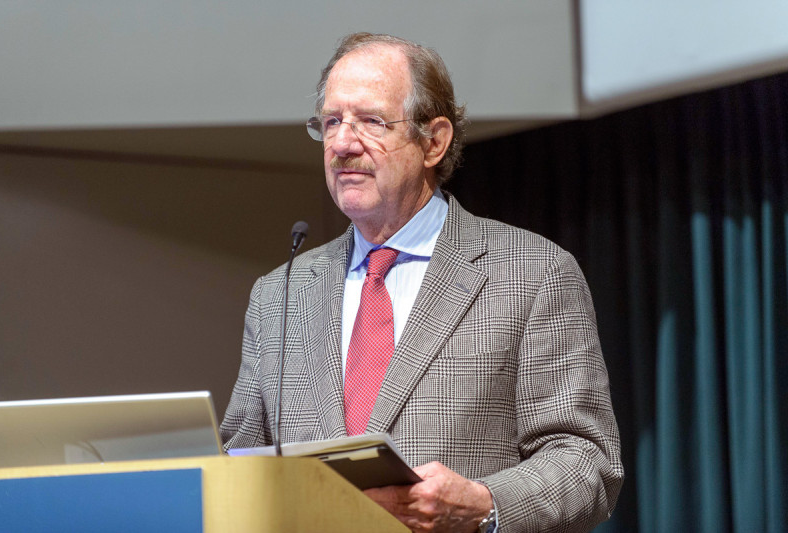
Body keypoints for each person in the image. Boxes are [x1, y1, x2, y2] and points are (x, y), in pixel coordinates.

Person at [221, 32, 623, 532]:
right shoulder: (279, 293)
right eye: (330, 122)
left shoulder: (533, 272)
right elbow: (237, 459)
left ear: (434, 141)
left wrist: (483, 503)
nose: (342, 143)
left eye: (369, 121)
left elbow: (586, 459)